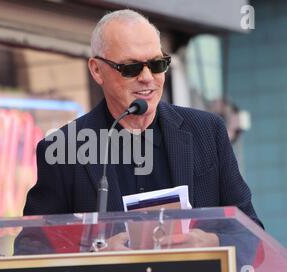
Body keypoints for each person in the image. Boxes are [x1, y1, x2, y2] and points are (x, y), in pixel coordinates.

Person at [22, 9, 263, 251]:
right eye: (131, 68)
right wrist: (95, 256)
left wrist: (213, 241)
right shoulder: (63, 148)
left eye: (158, 65)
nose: (148, 77)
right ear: (97, 70)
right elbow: (32, 249)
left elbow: (251, 233)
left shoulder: (207, 131)